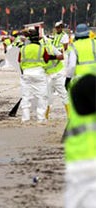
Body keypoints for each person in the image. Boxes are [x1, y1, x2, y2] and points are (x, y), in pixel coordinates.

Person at [63, 23, 96, 208]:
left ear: (77, 35)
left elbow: (71, 65)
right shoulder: (94, 44)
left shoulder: (74, 46)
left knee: (79, 117)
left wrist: (67, 81)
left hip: (80, 82)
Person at [18, 29, 62, 123]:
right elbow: (46, 59)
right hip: (39, 74)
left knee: (26, 97)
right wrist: (55, 57)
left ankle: (25, 119)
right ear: (38, 38)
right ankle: (41, 118)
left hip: (26, 74)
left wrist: (23, 72)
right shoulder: (42, 48)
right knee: (42, 97)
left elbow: (19, 61)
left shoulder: (23, 48)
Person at [40, 36, 68, 120]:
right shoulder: (50, 46)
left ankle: (45, 116)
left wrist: (50, 57)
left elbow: (61, 56)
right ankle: (46, 116)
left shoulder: (41, 49)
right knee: (63, 95)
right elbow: (61, 56)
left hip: (52, 74)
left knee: (48, 96)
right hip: (54, 74)